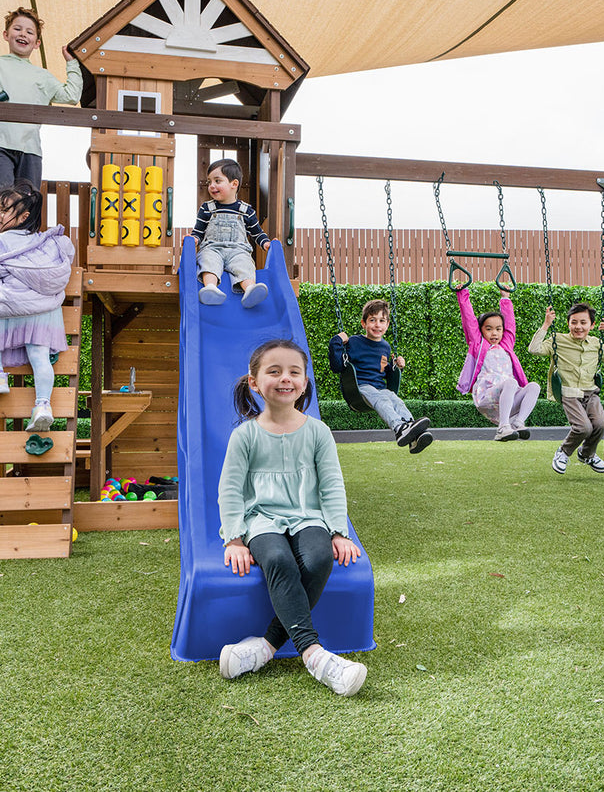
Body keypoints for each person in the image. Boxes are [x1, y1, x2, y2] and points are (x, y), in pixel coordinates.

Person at [217, 339, 368, 697]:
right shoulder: (245, 436)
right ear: (254, 382)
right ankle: (315, 656)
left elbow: (331, 485)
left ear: (303, 382)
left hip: (307, 516)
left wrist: (338, 531)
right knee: (278, 559)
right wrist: (235, 538)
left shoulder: (318, 432)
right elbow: (231, 489)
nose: (285, 378)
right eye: (274, 371)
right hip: (261, 519)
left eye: (294, 372)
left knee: (317, 560)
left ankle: (266, 646)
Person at [0, 183, 74, 433]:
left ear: (24, 217)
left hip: (9, 311)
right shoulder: (46, 244)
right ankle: (43, 406)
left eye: (4, 210)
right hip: (46, 314)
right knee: (40, 357)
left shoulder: (0, 241)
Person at [0, 7, 82, 194]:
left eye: (29, 32)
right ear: (6, 34)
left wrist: (71, 63)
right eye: (17, 29)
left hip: (30, 149)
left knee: (28, 203)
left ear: (36, 43)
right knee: (4, 198)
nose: (23, 34)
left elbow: (71, 95)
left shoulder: (42, 76)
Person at [528, 302, 604, 474]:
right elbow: (534, 349)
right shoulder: (558, 340)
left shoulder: (595, 344)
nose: (578, 327)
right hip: (568, 393)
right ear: (568, 324)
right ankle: (563, 453)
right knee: (583, 427)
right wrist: (546, 325)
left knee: (601, 424)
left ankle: (586, 454)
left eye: (583, 322)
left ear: (592, 325)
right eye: (574, 322)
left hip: (590, 392)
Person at [328, 299, 432, 453]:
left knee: (395, 400)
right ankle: (399, 428)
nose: (377, 325)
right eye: (372, 320)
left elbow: (384, 370)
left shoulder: (385, 346)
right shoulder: (354, 342)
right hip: (359, 389)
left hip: (379, 388)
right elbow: (337, 366)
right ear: (364, 324)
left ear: (387, 324)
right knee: (382, 398)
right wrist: (336, 341)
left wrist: (397, 366)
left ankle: (413, 433)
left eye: (382, 321)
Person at [456, 287, 541, 441]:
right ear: (481, 330)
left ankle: (517, 423)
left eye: (498, 329)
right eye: (489, 329)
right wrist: (462, 294)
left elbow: (510, 325)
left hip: (507, 397)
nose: (494, 333)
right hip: (486, 396)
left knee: (534, 386)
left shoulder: (506, 345)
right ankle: (503, 427)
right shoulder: (479, 345)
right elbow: (469, 321)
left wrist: (505, 298)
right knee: (510, 382)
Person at [191, 159, 271, 308]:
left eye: (217, 181)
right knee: (208, 260)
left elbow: (257, 233)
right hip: (213, 248)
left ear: (234, 184)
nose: (211, 186)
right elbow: (198, 232)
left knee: (245, 263)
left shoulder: (246, 211)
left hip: (238, 250)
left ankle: (250, 290)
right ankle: (210, 288)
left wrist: (266, 243)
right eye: (209, 182)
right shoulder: (207, 208)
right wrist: (194, 239)